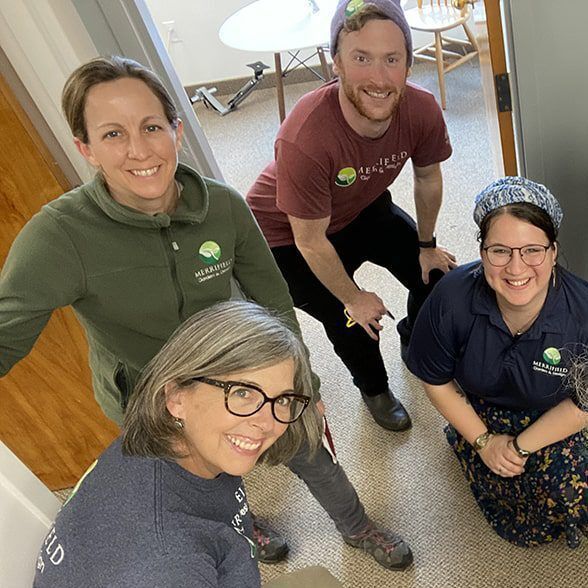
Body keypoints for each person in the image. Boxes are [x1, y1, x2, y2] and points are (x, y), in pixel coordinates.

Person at [0, 56, 412, 570]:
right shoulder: (58, 238)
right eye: (112, 134)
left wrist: (301, 388)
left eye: (152, 127)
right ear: (85, 148)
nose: (139, 150)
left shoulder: (222, 206)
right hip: (152, 399)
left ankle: (357, 527)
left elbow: (273, 300)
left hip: (244, 374)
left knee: (308, 451)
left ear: (176, 130)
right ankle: (246, 524)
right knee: (205, 482)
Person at [246, 0, 457, 432]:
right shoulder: (305, 137)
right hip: (287, 237)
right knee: (351, 320)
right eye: (362, 58)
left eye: (391, 60)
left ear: (408, 65)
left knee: (436, 279)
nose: (379, 78)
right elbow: (310, 240)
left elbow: (427, 177)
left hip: (360, 207)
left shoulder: (421, 109)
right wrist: (353, 297)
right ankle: (374, 388)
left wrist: (427, 245)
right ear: (337, 62)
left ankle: (412, 338)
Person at [34, 301, 343, 587]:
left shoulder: (158, 441)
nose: (268, 423)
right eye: (242, 393)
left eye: (284, 399)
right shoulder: (169, 564)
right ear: (176, 396)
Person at [407, 176, 588, 548]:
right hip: (481, 410)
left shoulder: (583, 313)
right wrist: (485, 442)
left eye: (532, 250)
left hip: (556, 413)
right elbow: (436, 379)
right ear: (482, 250)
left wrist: (520, 447)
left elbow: (584, 404)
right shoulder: (451, 298)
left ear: (553, 251)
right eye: (500, 251)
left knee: (567, 488)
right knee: (508, 489)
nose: (516, 268)